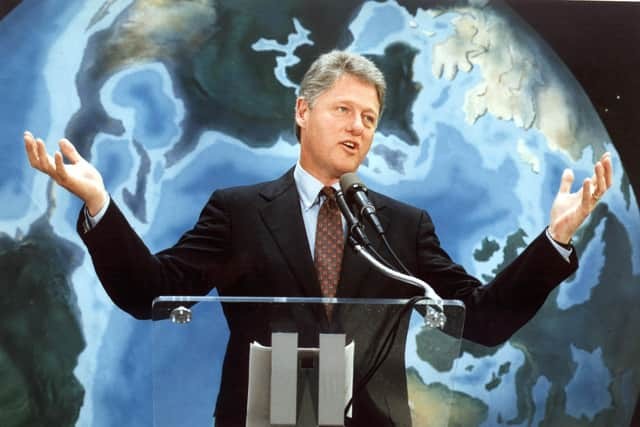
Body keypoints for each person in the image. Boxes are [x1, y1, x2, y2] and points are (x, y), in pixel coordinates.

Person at [24, 51, 612, 426]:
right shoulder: (238, 212)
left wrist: (555, 238)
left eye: (369, 118)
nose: (357, 127)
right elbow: (151, 291)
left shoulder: (402, 227)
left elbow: (479, 320)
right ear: (303, 111)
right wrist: (99, 202)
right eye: (344, 109)